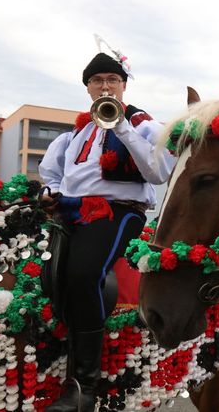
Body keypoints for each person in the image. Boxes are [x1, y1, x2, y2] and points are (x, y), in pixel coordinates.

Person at [39, 47, 175, 411]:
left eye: (112, 80)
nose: (105, 86)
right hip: (74, 212)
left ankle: (85, 385)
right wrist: (50, 194)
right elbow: (52, 175)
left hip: (120, 212)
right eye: (97, 81)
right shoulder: (74, 134)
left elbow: (159, 172)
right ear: (88, 88)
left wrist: (123, 128)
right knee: (44, 274)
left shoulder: (143, 124)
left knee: (84, 273)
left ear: (123, 86)